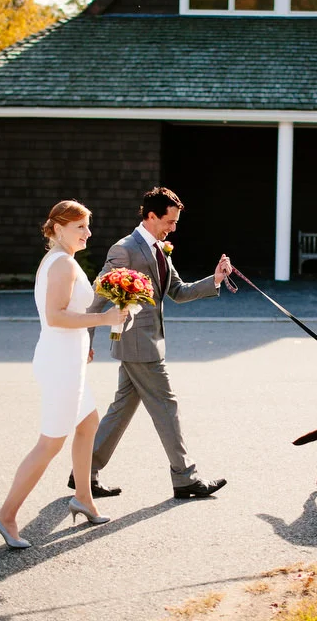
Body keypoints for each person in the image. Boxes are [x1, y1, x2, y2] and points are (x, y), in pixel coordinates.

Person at [69, 186, 232, 500]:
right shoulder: (124, 250)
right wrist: (85, 340)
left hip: (148, 342)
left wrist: (215, 279)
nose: (173, 228)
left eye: (175, 223)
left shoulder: (160, 249)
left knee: (121, 409)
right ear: (151, 216)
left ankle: (83, 472)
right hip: (137, 344)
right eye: (170, 221)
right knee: (167, 406)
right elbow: (96, 298)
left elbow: (178, 292)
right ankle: (186, 478)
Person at [0, 201, 129, 549]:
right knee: (50, 442)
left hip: (68, 358)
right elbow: (56, 316)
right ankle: (5, 515)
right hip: (60, 363)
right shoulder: (62, 263)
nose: (88, 233)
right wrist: (104, 319)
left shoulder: (61, 259)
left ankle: (83, 498)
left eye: (88, 226)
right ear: (59, 228)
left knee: (88, 423)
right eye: (80, 226)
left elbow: (66, 315)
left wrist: (84, 344)